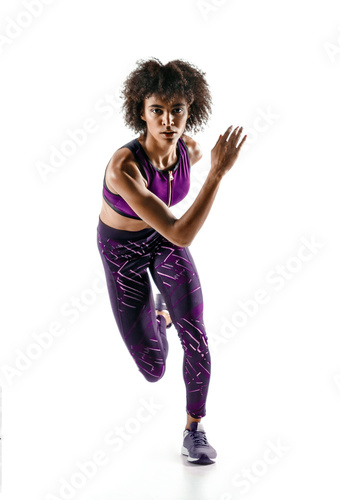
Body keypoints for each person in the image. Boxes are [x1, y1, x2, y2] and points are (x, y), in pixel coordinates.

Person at [96, 58, 247, 464]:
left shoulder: (190, 150)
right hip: (121, 250)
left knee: (195, 330)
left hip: (161, 241)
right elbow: (181, 230)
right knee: (154, 368)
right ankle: (159, 317)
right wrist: (216, 175)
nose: (168, 120)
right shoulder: (123, 169)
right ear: (141, 113)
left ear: (190, 110)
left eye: (177, 109)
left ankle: (194, 430)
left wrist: (209, 168)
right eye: (157, 110)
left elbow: (173, 236)